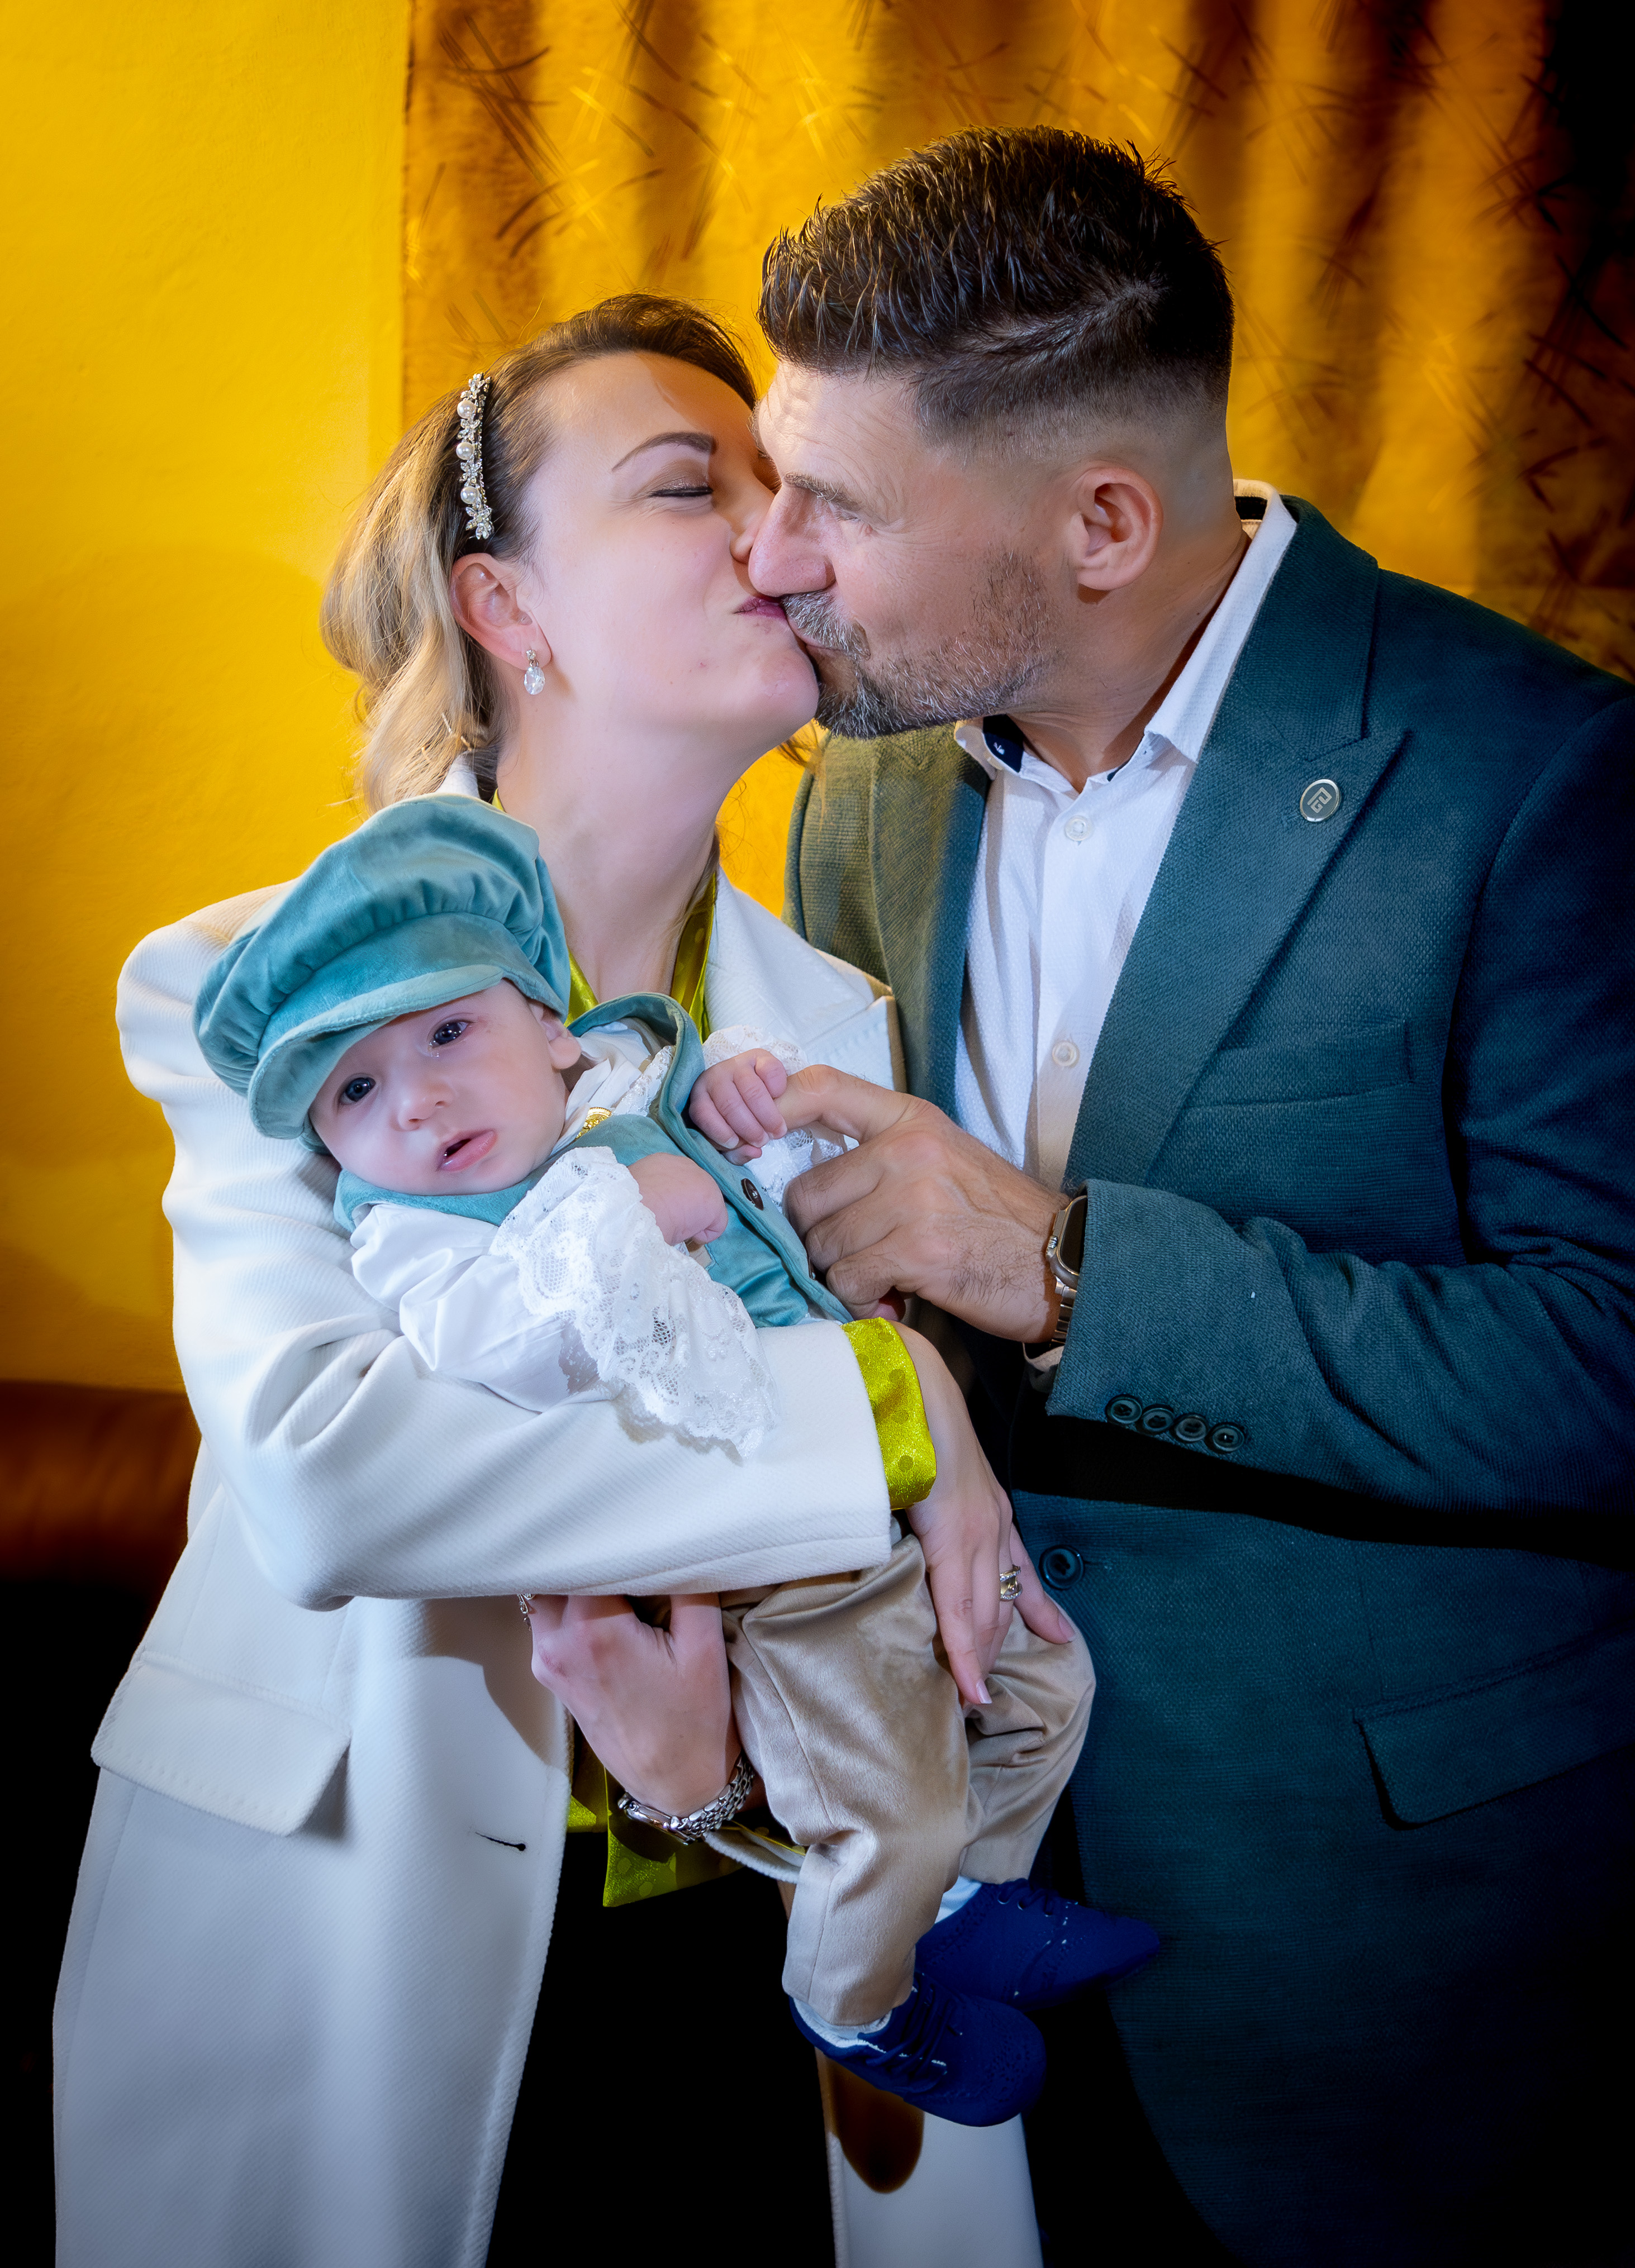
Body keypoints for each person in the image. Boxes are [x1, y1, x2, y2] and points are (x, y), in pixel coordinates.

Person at [747, 130, 1635, 2264]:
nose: (774, 559)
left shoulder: (1536, 774)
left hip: (1395, 1953)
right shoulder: (860, 790)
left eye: (837, 503)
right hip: (972, 1903)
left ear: (1101, 522)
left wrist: (1056, 1267)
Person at [53, 294, 1059, 2267]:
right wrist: (883, 1404)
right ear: (503, 606)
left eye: (788, 490)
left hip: (734, 1938)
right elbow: (340, 1476)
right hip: (339, 1930)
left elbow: (848, 1608)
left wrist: (716, 1784)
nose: (778, 534)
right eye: (691, 485)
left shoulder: (838, 1018)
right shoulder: (236, 984)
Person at [189, 790, 1149, 2124]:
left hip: (843, 1583)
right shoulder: (407, 1197)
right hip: (485, 1807)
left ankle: (956, 1908)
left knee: (1042, 1682)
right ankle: (860, 1999)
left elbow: (780, 1204)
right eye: (354, 1089)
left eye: (451, 1032)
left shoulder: (730, 1026)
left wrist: (734, 1106)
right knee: (891, 1792)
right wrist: (878, 1384)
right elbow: (355, 1468)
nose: (417, 1098)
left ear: (548, 1024)